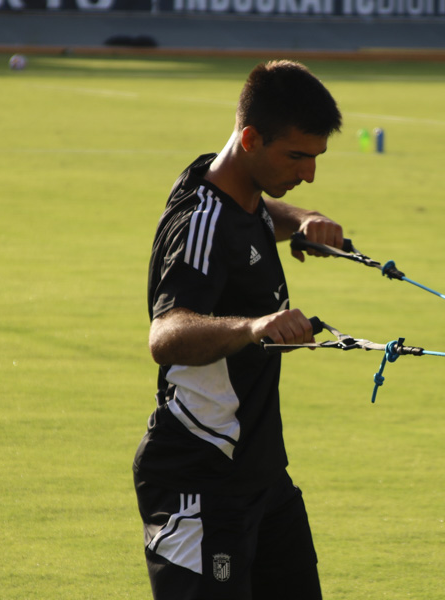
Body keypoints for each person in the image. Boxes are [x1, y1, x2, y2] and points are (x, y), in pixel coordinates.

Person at [134, 60, 343, 599]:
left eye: (316, 158)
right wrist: (255, 326)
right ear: (250, 138)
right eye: (297, 156)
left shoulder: (234, 187)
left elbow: (249, 216)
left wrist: (299, 221)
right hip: (198, 478)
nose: (309, 172)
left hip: (261, 475)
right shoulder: (200, 221)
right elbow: (166, 333)